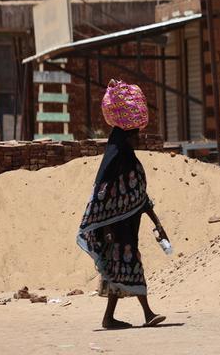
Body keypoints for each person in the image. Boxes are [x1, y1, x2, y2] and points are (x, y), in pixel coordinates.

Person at [77, 81, 169, 329]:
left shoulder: (129, 162)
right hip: (116, 231)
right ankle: (148, 313)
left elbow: (140, 196)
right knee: (128, 264)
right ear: (126, 136)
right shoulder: (113, 166)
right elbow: (101, 197)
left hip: (129, 227)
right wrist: (104, 227)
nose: (138, 137)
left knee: (119, 270)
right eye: (134, 134)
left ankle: (110, 318)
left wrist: (157, 223)